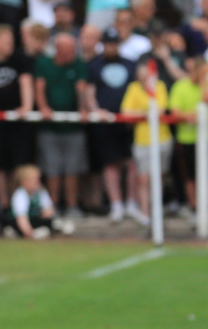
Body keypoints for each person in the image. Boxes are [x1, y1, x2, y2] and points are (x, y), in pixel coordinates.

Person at [85, 27, 138, 222]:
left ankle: (131, 203)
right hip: (105, 122)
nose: (111, 47)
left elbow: (137, 89)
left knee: (131, 162)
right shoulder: (94, 65)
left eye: (114, 44)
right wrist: (95, 110)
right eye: (108, 44)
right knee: (110, 163)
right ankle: (116, 204)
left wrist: (133, 112)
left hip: (128, 122)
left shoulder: (130, 64)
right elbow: (89, 92)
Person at [0, 24, 34, 208]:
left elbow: (26, 82)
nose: (9, 44)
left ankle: (17, 204)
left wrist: (26, 107)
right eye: (5, 41)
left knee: (17, 165)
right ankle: (3, 203)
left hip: (17, 121)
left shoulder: (20, 60)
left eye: (11, 41)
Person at [34, 33, 88, 216]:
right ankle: (53, 206)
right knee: (52, 170)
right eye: (69, 50)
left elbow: (81, 87)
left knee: (72, 169)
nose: (73, 53)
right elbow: (39, 87)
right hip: (50, 128)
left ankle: (72, 206)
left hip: (73, 127)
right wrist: (43, 108)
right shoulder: (44, 64)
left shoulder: (78, 64)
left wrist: (83, 108)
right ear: (59, 50)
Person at [121, 62, 173, 224]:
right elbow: (126, 112)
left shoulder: (159, 86)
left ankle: (156, 209)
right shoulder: (133, 88)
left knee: (160, 176)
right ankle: (145, 213)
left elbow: (160, 109)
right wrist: (146, 113)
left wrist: (141, 114)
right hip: (142, 140)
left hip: (162, 138)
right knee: (143, 178)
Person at [169, 56, 207, 217]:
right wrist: (191, 116)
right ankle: (195, 209)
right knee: (190, 176)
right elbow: (175, 112)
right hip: (186, 139)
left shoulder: (205, 86)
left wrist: (204, 83)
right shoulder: (180, 86)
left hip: (205, 139)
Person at [8, 164, 56, 238]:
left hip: (34, 220)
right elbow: (21, 218)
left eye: (38, 179)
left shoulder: (41, 191)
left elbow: (49, 211)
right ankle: (15, 232)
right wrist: (30, 234)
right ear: (24, 181)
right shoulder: (20, 194)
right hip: (20, 223)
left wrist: (45, 212)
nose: (38, 182)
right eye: (34, 180)